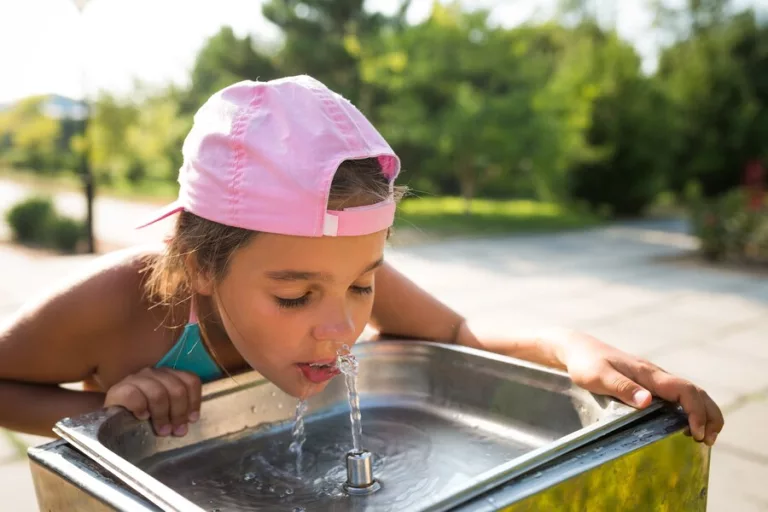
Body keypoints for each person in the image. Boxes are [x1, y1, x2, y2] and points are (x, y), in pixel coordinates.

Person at [0, 75, 723, 445]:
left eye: (364, 283)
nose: (341, 327)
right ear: (199, 267)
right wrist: (103, 414)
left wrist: (567, 345)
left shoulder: (330, 277)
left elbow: (456, 334)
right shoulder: (119, 305)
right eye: (293, 297)